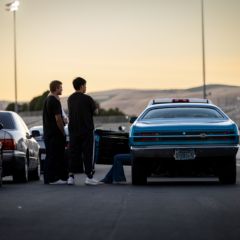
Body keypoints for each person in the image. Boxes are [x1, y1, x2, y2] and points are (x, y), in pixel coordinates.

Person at [67, 77, 99, 185]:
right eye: (85, 85)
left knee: (73, 153)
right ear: (81, 86)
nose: (86, 88)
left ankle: (71, 177)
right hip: (86, 130)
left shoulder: (70, 99)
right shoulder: (88, 98)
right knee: (87, 153)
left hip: (73, 130)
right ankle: (89, 177)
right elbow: (96, 112)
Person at [42, 80, 68, 184]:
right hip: (55, 134)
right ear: (56, 88)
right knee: (55, 156)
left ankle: (50, 179)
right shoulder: (54, 100)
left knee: (50, 156)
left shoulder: (47, 99)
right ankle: (53, 179)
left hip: (49, 133)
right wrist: (63, 132)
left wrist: (63, 119)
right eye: (61, 87)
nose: (62, 89)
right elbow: (57, 119)